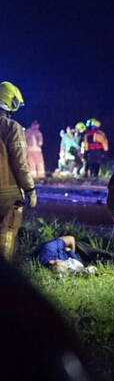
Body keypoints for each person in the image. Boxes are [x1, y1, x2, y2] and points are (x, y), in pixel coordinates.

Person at [0, 82, 36, 261]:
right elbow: (20, 164)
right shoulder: (11, 127)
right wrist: (30, 189)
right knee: (6, 235)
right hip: (7, 194)